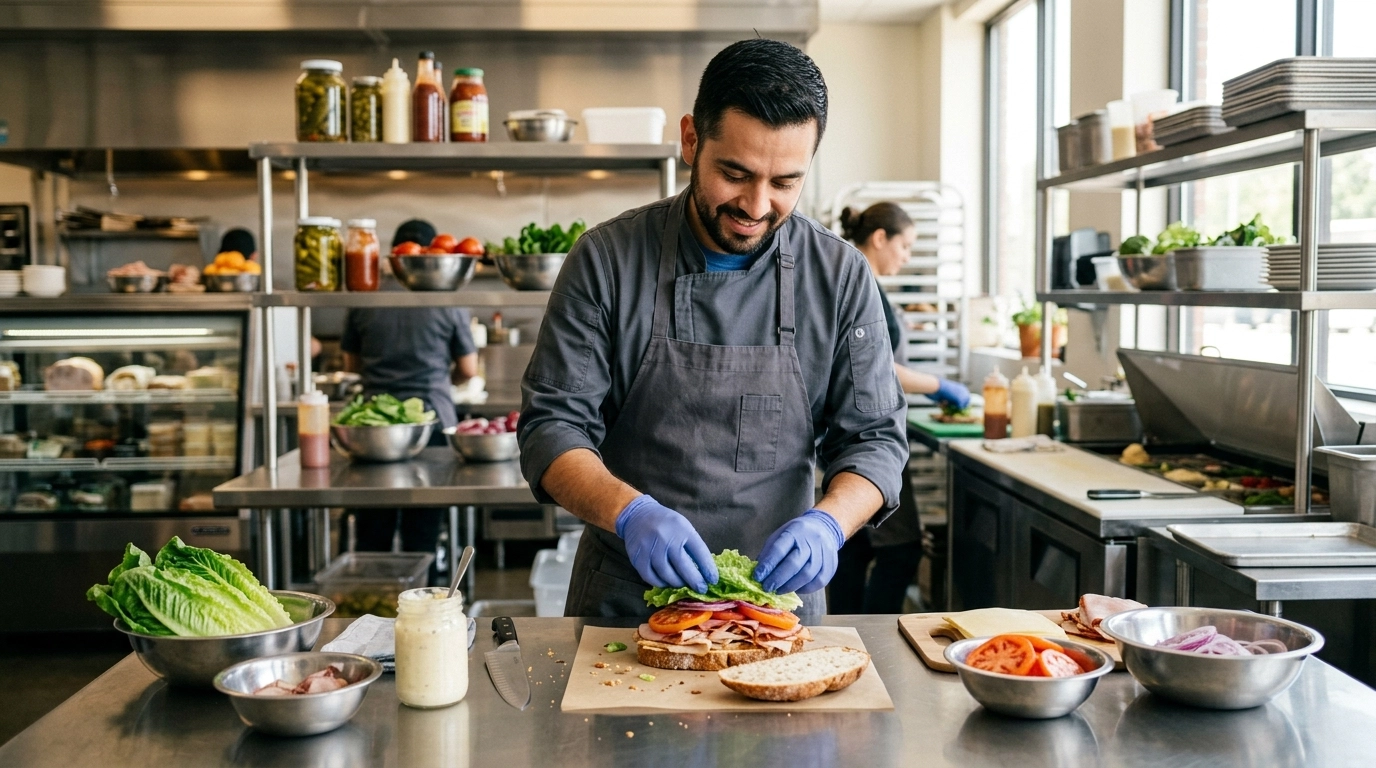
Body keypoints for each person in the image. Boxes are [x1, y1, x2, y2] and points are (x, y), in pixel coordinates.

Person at [518, 39, 909, 618]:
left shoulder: (840, 275)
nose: (756, 204)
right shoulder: (606, 259)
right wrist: (631, 514)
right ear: (691, 140)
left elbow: (875, 438)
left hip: (778, 609)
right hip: (628, 605)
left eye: (784, 183)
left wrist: (830, 523)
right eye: (735, 173)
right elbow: (551, 428)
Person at [829, 202, 971, 614]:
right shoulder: (861, 282)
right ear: (879, 239)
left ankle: (845, 633)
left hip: (854, 432)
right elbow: (876, 367)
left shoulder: (858, 281)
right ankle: (878, 639)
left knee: (854, 545)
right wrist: (938, 386)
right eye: (904, 246)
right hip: (871, 434)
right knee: (901, 548)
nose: (907, 257)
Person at [342, 218, 479, 555]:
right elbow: (468, 368)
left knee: (373, 534)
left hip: (375, 427)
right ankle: (425, 602)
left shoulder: (366, 296)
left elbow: (350, 366)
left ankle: (373, 599)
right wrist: (441, 378)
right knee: (423, 533)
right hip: (432, 422)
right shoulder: (448, 300)